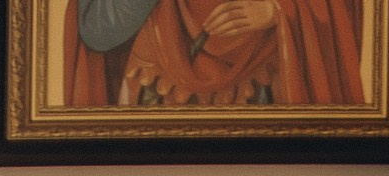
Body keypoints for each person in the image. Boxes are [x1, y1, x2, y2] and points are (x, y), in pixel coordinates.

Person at [67, 0, 365, 111]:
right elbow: (97, 29)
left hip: (265, 76)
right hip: (157, 80)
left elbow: (339, 9)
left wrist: (276, 8)